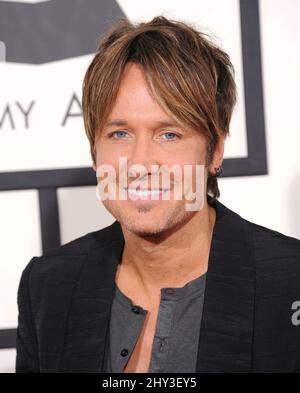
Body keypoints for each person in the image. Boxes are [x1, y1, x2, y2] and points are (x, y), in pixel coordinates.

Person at [16, 16, 300, 373]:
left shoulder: (290, 281)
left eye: (169, 135)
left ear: (214, 151)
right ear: (94, 150)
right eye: (119, 134)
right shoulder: (47, 287)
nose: (140, 163)